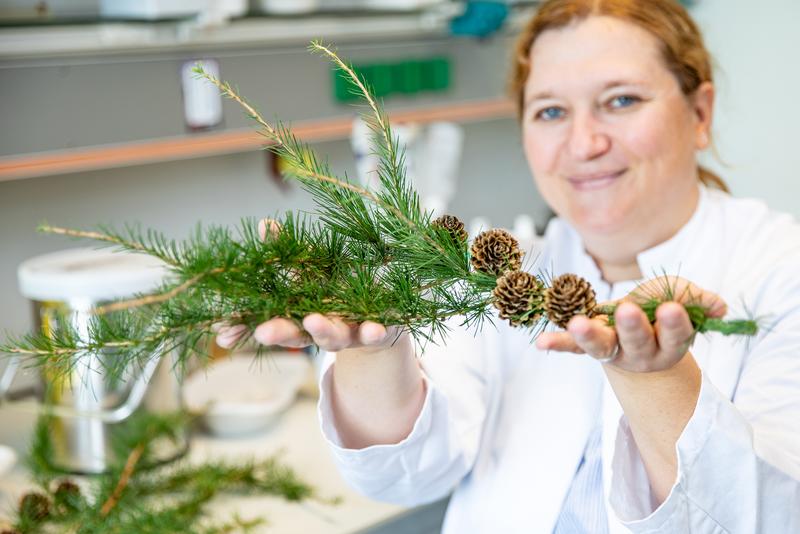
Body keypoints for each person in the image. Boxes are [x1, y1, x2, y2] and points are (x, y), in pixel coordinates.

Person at [217, 1, 800, 531]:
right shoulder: (506, 275)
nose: (584, 142)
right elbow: (402, 474)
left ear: (700, 113)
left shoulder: (781, 267)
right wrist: (373, 350)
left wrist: (655, 380)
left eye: (621, 100)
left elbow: (774, 519)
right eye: (550, 112)